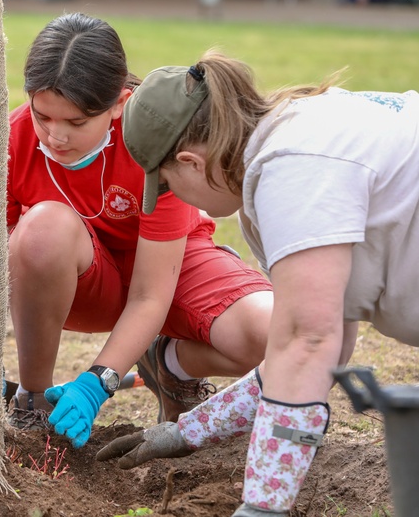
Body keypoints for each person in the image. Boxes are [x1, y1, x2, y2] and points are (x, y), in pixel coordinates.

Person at [0, 14, 273, 450]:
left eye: (76, 123)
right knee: (43, 229)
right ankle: (31, 403)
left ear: (117, 103)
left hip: (172, 269)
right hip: (82, 285)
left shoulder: (151, 135)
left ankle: (169, 365)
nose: (55, 136)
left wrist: (99, 381)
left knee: (276, 331)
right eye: (43, 116)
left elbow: (151, 294)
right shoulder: (6, 145)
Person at [100, 54, 419, 516]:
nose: (173, 197)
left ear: (190, 162)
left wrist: (263, 507)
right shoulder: (295, 132)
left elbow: (307, 343)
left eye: (167, 184)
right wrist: (188, 431)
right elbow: (319, 351)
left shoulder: (295, 168)